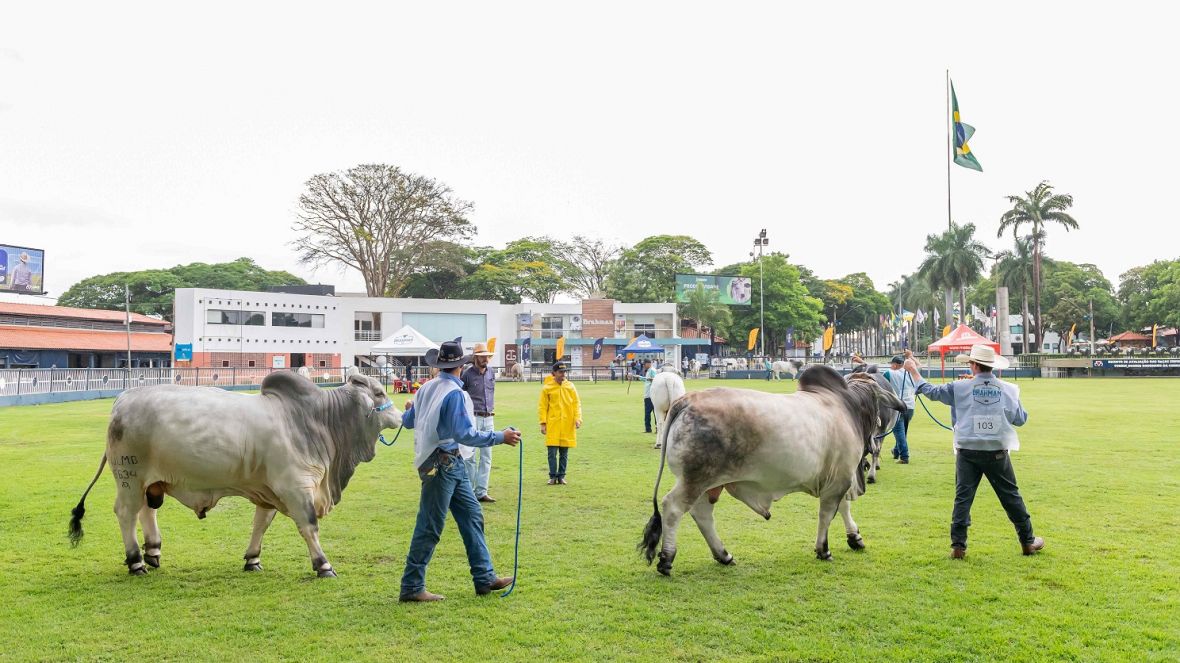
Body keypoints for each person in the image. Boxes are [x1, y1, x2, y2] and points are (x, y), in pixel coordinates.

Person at [398, 339, 522, 602]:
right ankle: (411, 586)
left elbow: (408, 422)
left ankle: (485, 577)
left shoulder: (426, 389)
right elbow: (464, 433)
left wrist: (411, 408)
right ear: (459, 366)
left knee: (471, 516)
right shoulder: (455, 394)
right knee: (431, 525)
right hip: (445, 464)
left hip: (445, 464)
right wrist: (501, 437)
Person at [903, 343, 1045, 559]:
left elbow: (929, 391)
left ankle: (958, 547)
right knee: (1011, 496)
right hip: (996, 451)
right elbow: (1020, 419)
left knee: (963, 499)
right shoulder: (1009, 389)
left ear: (973, 365)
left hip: (967, 450)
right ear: (991, 366)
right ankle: (1027, 541)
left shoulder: (958, 387)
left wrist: (913, 370)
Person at [460, 342, 497, 504]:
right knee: (470, 456)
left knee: (486, 456)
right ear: (475, 357)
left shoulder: (491, 373)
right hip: (472, 417)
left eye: (487, 356)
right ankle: (470, 491)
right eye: (482, 357)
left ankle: (481, 491)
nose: (485, 359)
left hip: (489, 417)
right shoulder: (467, 375)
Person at [538, 361, 581, 485]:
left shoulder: (570, 387)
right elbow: (542, 407)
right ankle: (552, 476)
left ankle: (561, 476)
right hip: (553, 425)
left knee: (564, 453)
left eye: (564, 372)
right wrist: (543, 423)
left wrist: (578, 419)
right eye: (560, 372)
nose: (563, 374)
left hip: (567, 424)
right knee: (552, 452)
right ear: (554, 373)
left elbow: (576, 404)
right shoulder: (547, 388)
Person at [882, 353, 916, 464]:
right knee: (902, 431)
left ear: (896, 365)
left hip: (897, 406)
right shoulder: (911, 373)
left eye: (892, 364)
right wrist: (911, 356)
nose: (891, 366)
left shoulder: (889, 373)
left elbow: (879, 381)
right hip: (910, 406)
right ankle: (896, 451)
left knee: (899, 432)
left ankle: (904, 456)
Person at [641, 359, 657, 433]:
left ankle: (656, 428)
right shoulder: (648, 371)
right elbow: (646, 380)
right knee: (649, 413)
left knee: (653, 413)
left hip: (651, 395)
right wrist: (638, 377)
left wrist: (648, 379)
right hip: (648, 395)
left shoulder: (652, 370)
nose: (644, 366)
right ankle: (648, 428)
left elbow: (655, 380)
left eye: (644, 364)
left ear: (648, 364)